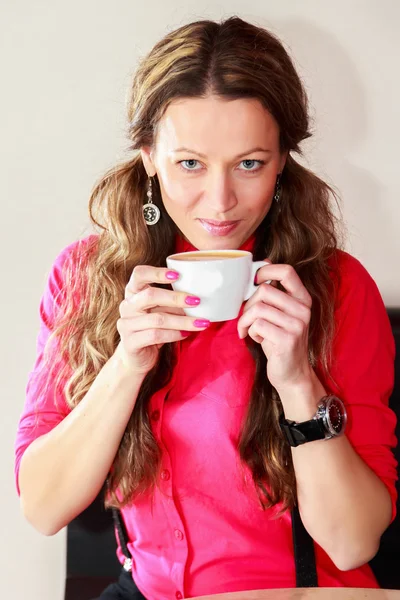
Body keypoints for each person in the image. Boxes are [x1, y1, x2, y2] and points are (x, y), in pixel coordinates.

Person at [15, 15, 397, 600]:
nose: (220, 203)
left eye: (250, 163)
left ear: (282, 162)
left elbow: (352, 545)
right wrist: (126, 366)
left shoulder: (337, 287)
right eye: (189, 163)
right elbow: (42, 508)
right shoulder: (85, 277)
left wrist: (298, 382)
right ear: (148, 156)